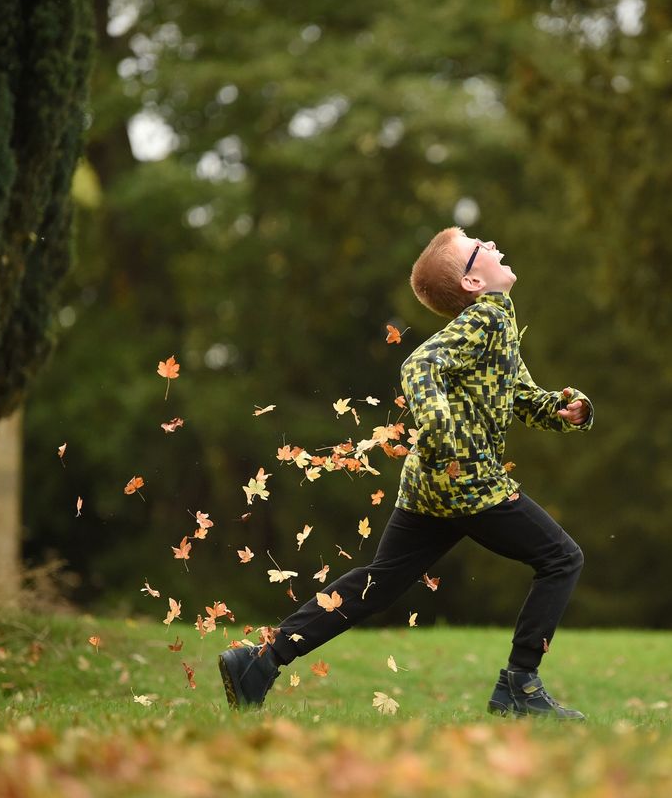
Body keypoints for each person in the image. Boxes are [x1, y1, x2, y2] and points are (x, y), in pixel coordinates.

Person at [218, 227, 593, 718]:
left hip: (429, 485)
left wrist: (562, 411)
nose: (495, 245)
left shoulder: (497, 320)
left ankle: (261, 661)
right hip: (468, 482)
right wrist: (442, 428)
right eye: (481, 249)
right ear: (474, 282)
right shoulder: (487, 319)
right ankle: (519, 687)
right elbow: (419, 364)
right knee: (562, 558)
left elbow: (520, 396)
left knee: (381, 582)